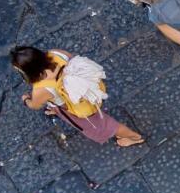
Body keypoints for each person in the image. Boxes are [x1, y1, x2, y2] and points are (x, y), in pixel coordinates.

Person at [10, 46, 144, 147]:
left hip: (75, 106)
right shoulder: (56, 53)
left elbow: (35, 105)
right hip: (84, 91)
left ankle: (135, 137)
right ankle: (54, 109)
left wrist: (26, 99)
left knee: (103, 125)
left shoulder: (41, 89)